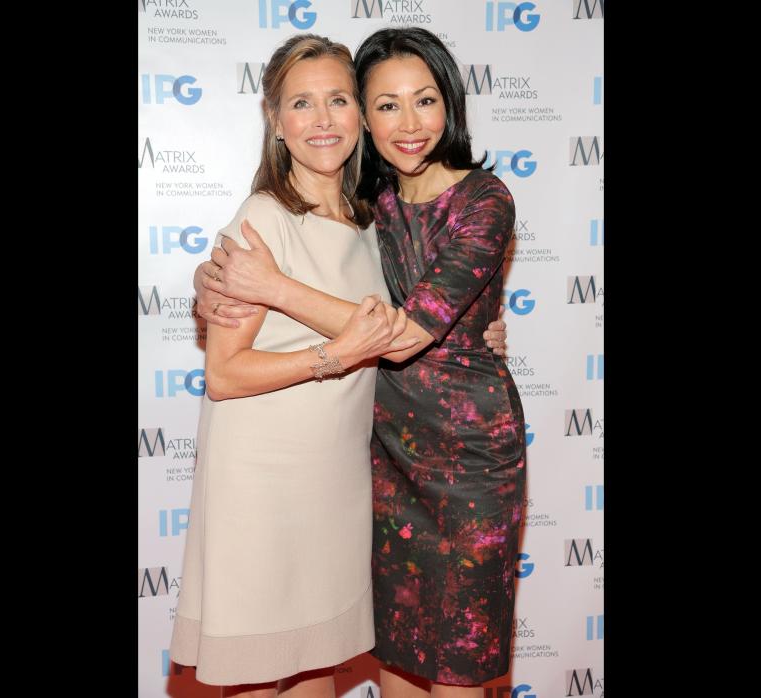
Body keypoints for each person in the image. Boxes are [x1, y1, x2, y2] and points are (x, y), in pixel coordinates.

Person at [197, 27, 526, 697]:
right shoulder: (367, 207)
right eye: (385, 104)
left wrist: (273, 287)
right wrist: (211, 284)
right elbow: (286, 259)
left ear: (451, 104)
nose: (408, 123)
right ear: (366, 118)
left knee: (459, 666)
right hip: (378, 464)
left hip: (469, 467)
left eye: (425, 100)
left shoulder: (484, 200)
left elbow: (403, 336)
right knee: (397, 660)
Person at [168, 34, 421, 697]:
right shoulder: (263, 219)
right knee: (259, 675)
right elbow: (224, 375)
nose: (322, 120)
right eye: (302, 104)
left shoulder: (369, 222)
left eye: (338, 100)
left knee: (313, 672)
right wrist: (331, 357)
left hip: (334, 484)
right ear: (276, 122)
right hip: (263, 487)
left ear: (361, 115)